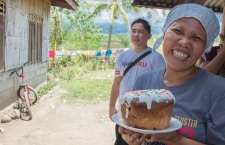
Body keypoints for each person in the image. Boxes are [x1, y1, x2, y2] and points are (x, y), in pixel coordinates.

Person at [118, 3, 225, 145]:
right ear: (164, 32)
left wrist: (177, 139)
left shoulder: (218, 90)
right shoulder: (144, 81)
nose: (185, 42)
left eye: (196, 38)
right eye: (178, 31)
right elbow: (133, 128)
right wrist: (129, 137)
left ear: (205, 46)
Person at [109, 18, 166, 145]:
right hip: (124, 113)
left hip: (144, 115)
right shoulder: (124, 56)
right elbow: (117, 82)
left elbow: (161, 89)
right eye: (133, 31)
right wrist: (111, 106)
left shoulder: (156, 58)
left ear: (149, 36)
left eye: (140, 31)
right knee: (121, 141)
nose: (136, 35)